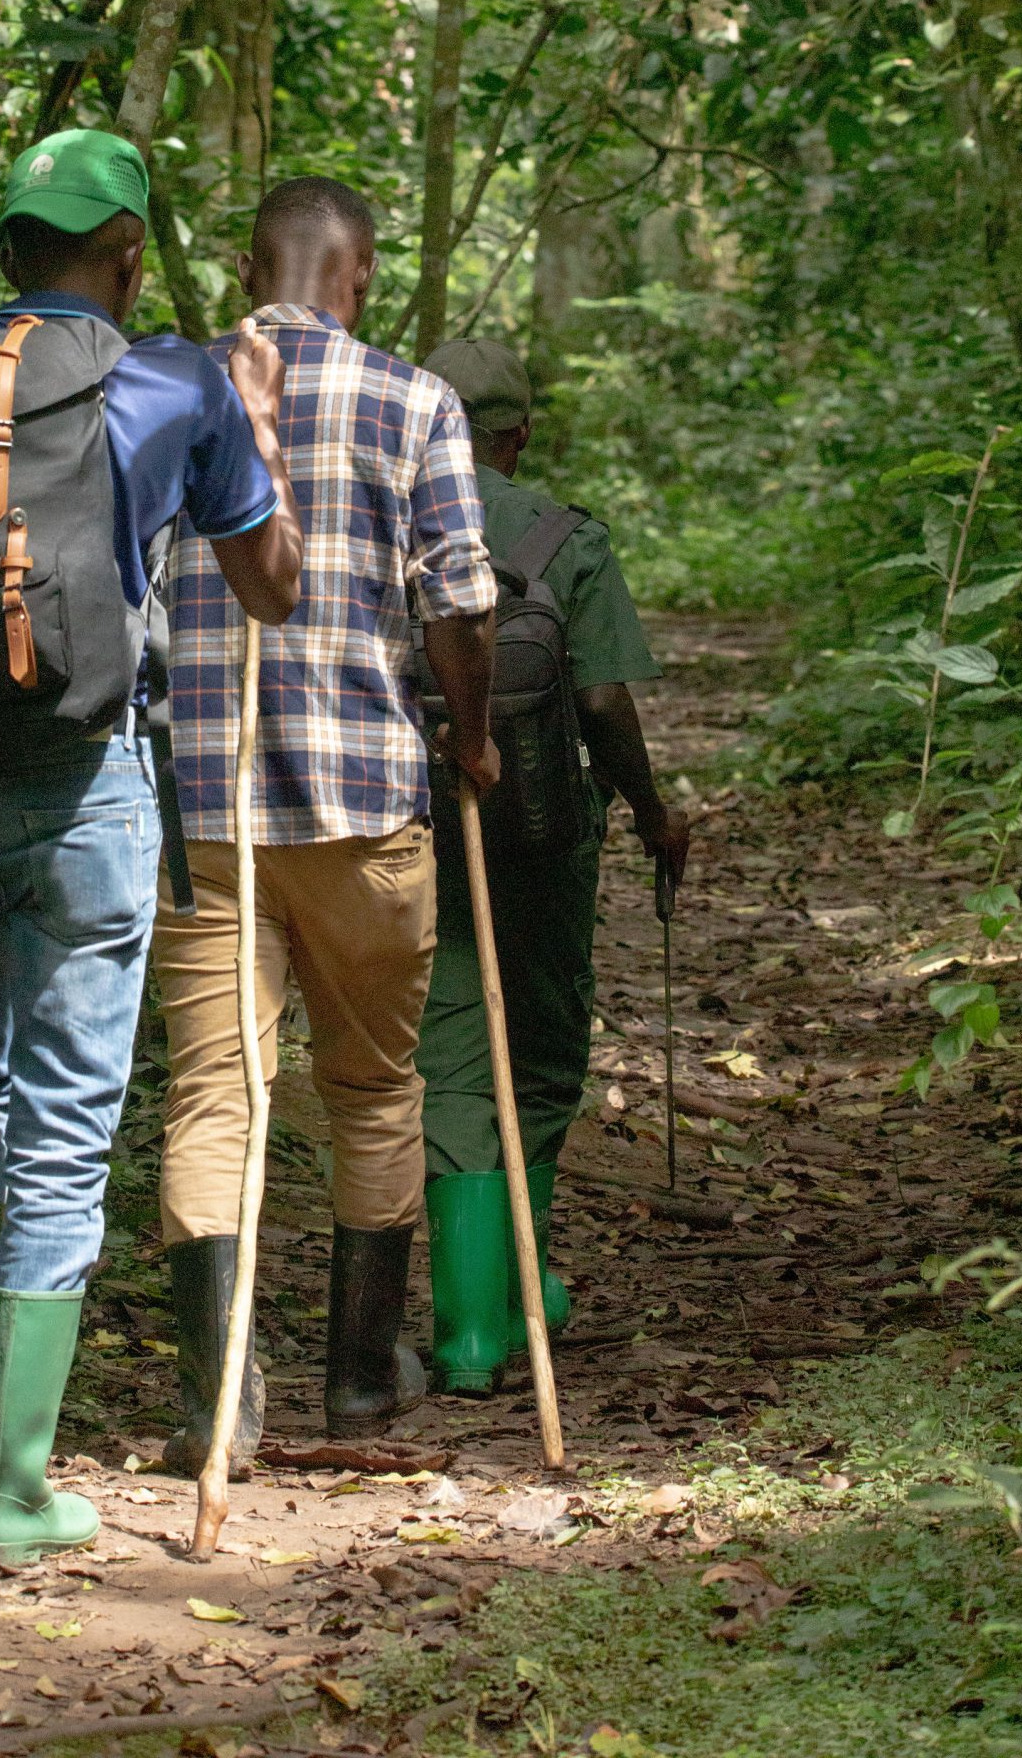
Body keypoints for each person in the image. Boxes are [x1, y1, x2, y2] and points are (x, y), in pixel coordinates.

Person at [0, 128, 303, 1570]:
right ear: (129, 251)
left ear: (11, 245)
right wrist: (256, 428)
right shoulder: (175, 383)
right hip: (83, 784)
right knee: (68, 1118)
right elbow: (271, 586)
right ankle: (15, 1493)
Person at [153, 177, 498, 1473]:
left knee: (212, 1098)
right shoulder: (416, 401)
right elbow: (459, 602)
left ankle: (215, 1406)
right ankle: (355, 1378)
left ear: (250, 268)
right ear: (363, 277)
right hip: (363, 809)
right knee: (373, 1090)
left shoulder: (167, 391)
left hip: (202, 807)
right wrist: (471, 738)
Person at [416, 336, 689, 1391]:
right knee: (537, 1046)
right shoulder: (566, 538)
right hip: (539, 832)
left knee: (448, 1052)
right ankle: (515, 1293)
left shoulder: (382, 522)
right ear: (519, 434)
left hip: (408, 826)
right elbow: (603, 701)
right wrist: (652, 812)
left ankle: (468, 1328)